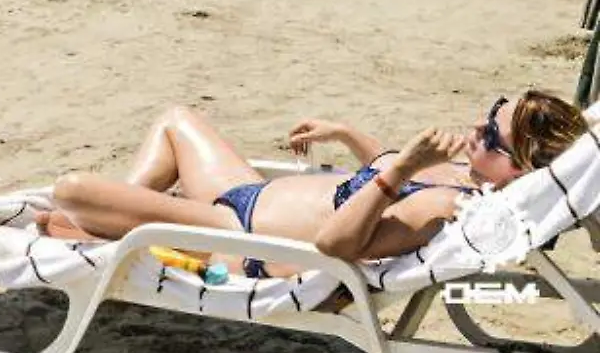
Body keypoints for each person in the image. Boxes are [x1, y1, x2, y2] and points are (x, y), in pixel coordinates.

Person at [36, 92, 587, 279]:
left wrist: (401, 169)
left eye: (491, 132)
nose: (475, 127)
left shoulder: (449, 207)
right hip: (248, 196)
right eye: (491, 111)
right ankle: (117, 230)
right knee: (177, 120)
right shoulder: (461, 175)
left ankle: (102, 232)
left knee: (72, 188)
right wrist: (347, 135)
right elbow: (378, 176)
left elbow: (336, 245)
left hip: (241, 231)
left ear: (518, 169)